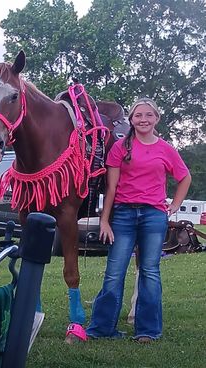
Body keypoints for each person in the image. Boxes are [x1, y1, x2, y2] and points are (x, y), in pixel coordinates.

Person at [86, 97, 191, 342]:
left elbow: (184, 177)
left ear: (156, 119)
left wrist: (174, 205)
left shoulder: (166, 149)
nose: (143, 119)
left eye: (148, 115)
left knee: (150, 271)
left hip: (153, 216)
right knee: (114, 271)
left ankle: (147, 330)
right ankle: (102, 329)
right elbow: (110, 189)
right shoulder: (120, 147)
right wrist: (104, 221)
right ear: (131, 120)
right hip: (123, 214)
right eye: (138, 116)